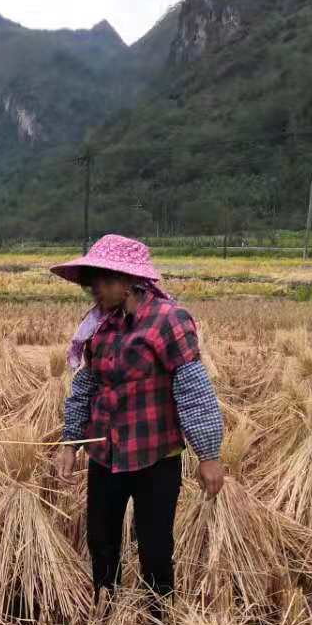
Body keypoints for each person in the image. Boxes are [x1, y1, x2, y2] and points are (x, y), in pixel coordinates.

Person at [50, 234, 225, 602]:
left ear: (125, 281)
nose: (92, 289)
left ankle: (158, 623)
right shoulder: (100, 325)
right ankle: (106, 612)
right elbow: (86, 387)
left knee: (156, 547)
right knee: (101, 540)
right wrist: (70, 442)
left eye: (99, 280)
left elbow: (193, 389)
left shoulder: (169, 321)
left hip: (154, 457)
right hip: (105, 454)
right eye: (91, 281)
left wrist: (208, 455)